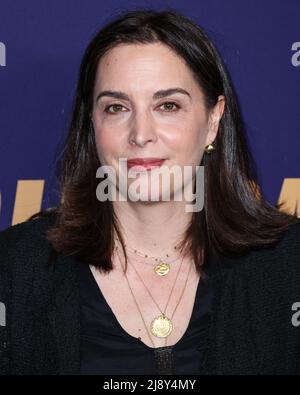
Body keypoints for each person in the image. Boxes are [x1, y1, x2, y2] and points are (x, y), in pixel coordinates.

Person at [0, 9, 299, 375]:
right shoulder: (17, 266)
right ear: (92, 124)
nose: (141, 133)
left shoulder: (288, 264)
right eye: (116, 107)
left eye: (168, 105)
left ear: (213, 121)